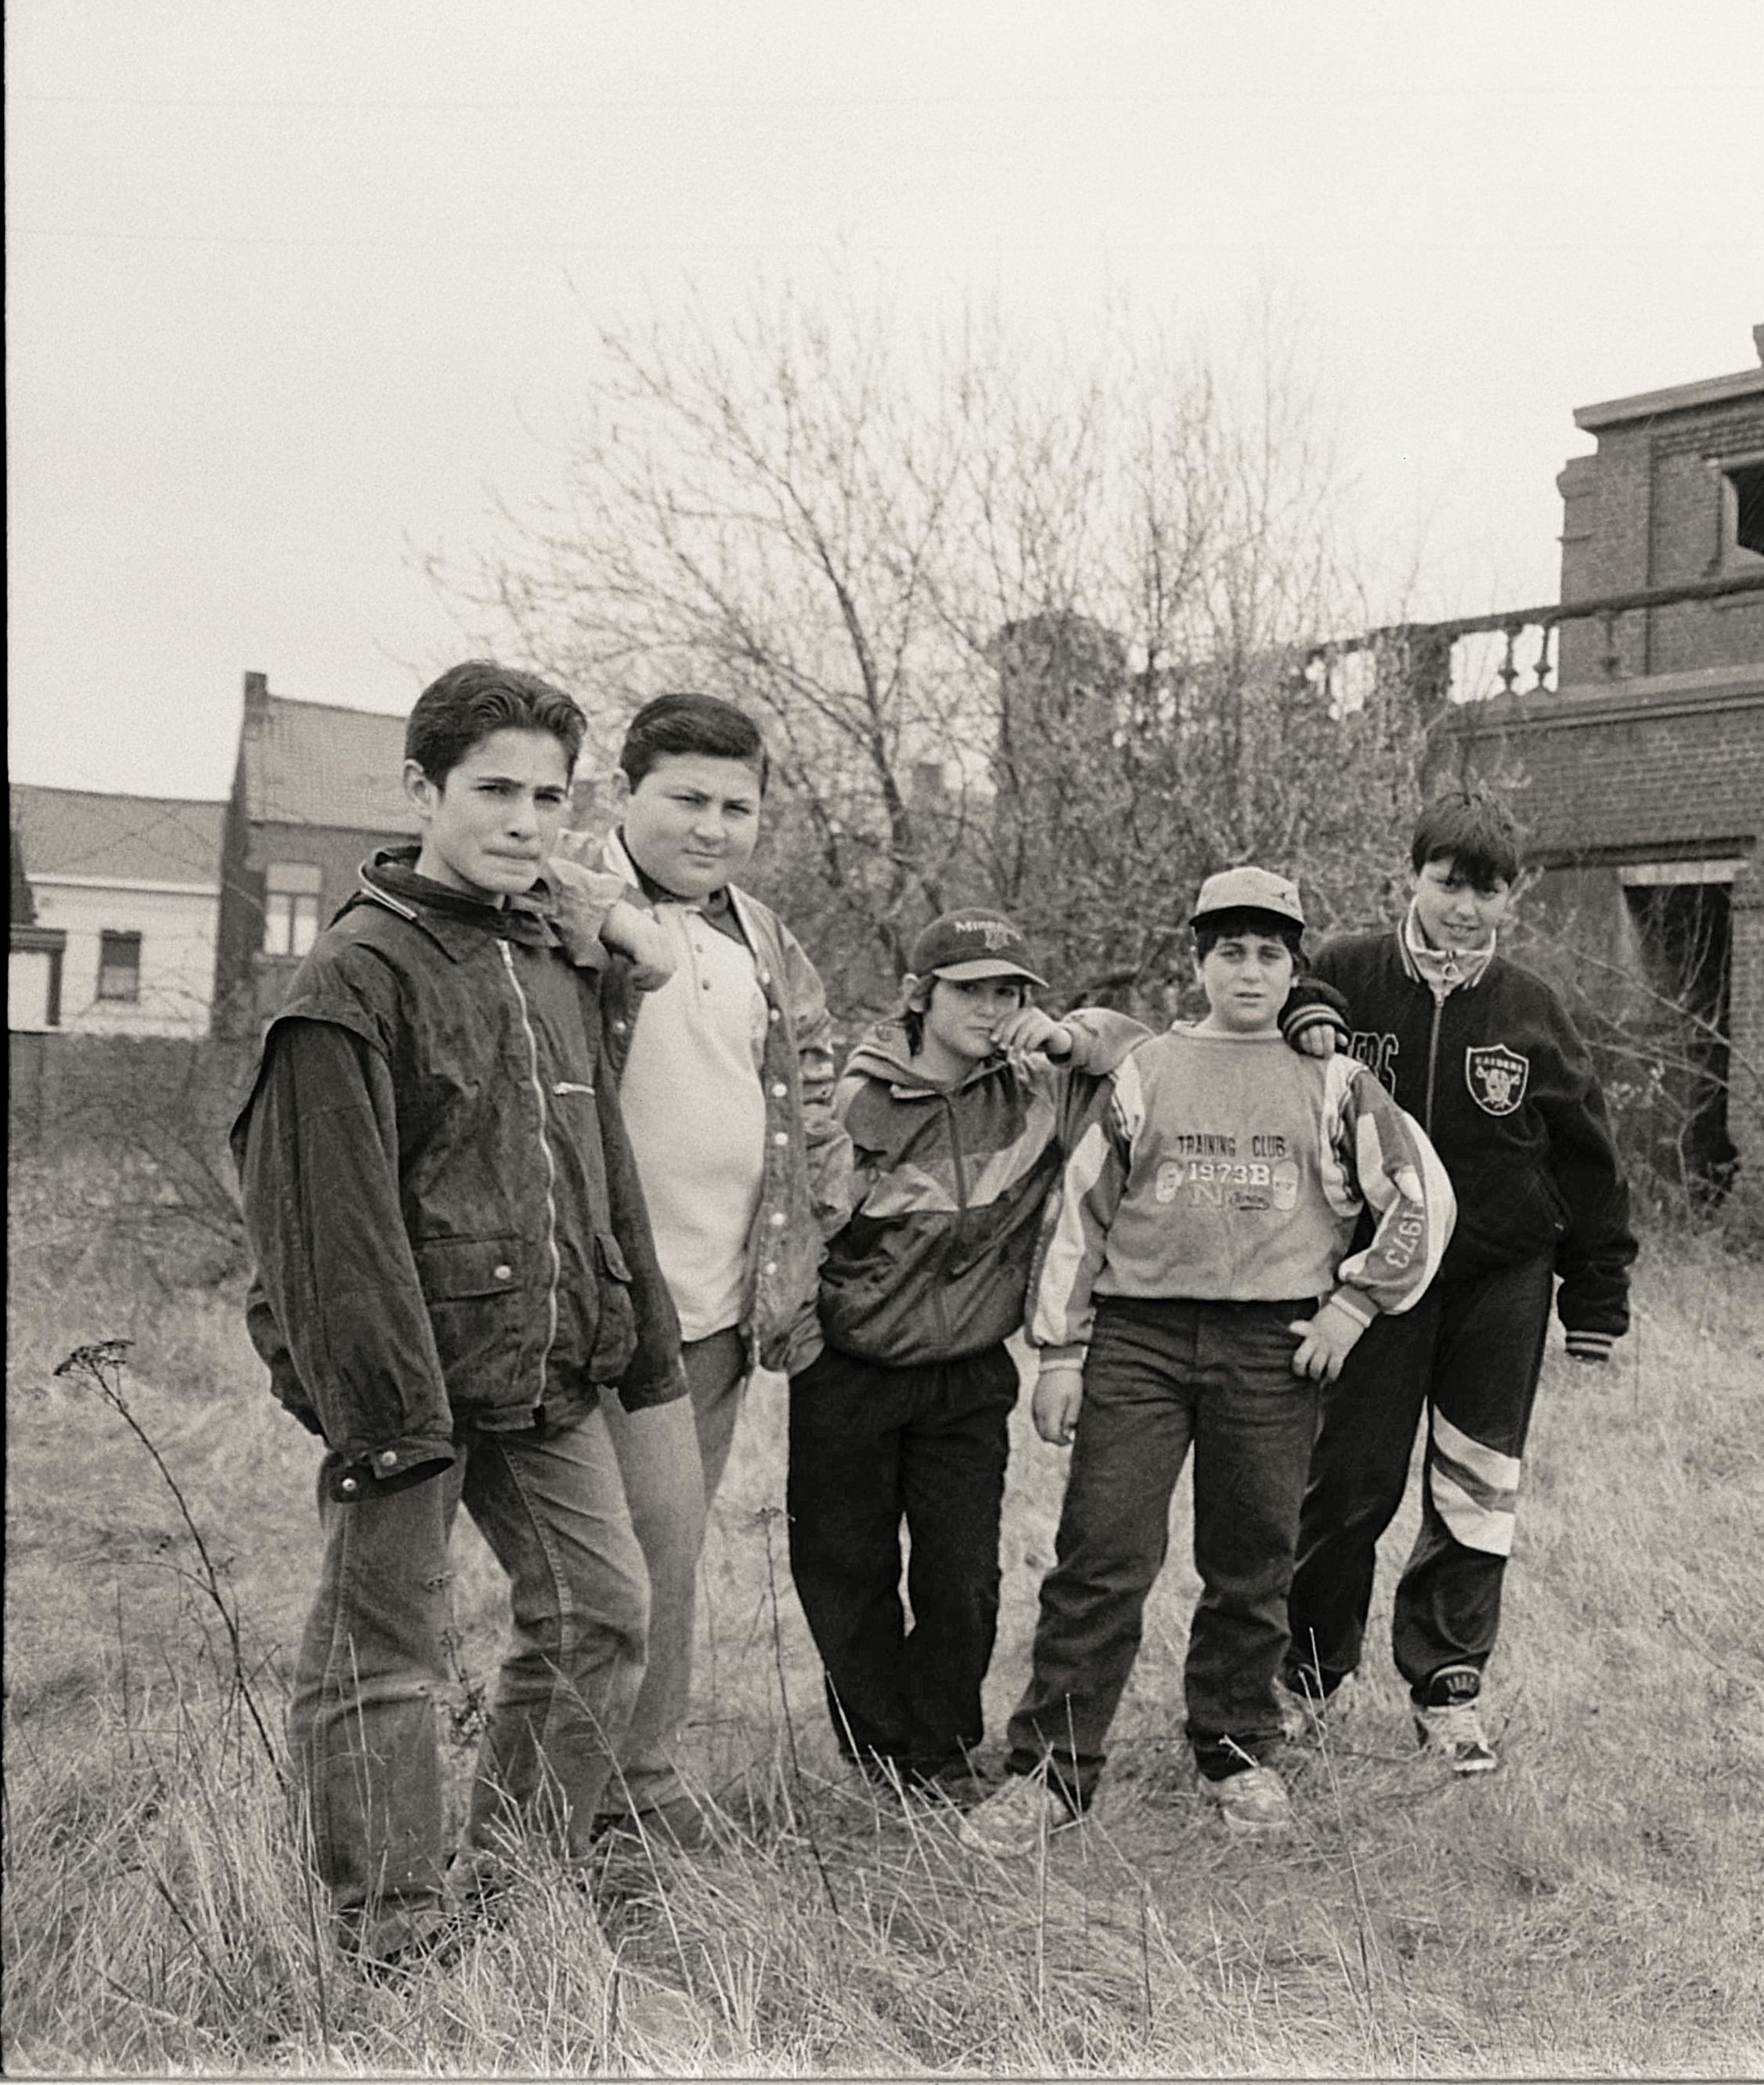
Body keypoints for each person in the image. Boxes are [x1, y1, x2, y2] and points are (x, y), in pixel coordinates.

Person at [233, 662, 686, 1965]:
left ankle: (518, 1876)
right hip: (409, 1394)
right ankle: (394, 1926)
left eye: (551, 795)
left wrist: (636, 1341)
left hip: (546, 1374)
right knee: (388, 1652)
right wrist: (384, 1425)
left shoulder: (548, 959)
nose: (526, 820)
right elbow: (325, 1237)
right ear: (422, 789)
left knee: (604, 1614)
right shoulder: (353, 980)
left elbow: (601, 1184)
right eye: (495, 789)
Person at [961, 868, 1448, 1849]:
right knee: (1102, 1552)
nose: (1249, 969)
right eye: (1230, 950)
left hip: (1272, 1347)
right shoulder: (1148, 1069)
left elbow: (1415, 1201)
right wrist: (1060, 1353)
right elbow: (1082, 1210)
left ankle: (1236, 1749)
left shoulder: (1335, 1078)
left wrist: (1352, 1308)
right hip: (1138, 1342)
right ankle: (1051, 1771)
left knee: (1253, 1560)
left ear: (1294, 968)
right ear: (1199, 961)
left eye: (1270, 953)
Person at [1282, 791, 1638, 1776]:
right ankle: (1305, 1682)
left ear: (1510, 899)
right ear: (1414, 877)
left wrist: (1595, 1302)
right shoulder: (1348, 974)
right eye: (1447, 885)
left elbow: (1587, 1162)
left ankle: (1447, 1690)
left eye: (1488, 893)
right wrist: (1305, 1008)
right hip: (1374, 1283)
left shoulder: (1530, 1007)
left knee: (1476, 1488)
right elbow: (1278, 1019)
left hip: (1499, 1284)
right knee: (1347, 1487)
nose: (1464, 910)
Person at [548, 691, 845, 1855]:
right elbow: (508, 887)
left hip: (721, 1308)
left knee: (671, 1547)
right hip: (610, 1299)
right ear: (624, 793)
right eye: (686, 798)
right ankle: (593, 1800)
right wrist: (614, 919)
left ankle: (630, 1788)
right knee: (620, 1559)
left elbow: (810, 1073)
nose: (713, 826)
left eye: (738, 805)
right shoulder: (563, 891)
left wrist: (821, 1208)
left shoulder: (762, 934)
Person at [792, 906, 1153, 1809]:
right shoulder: (852, 1098)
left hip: (966, 1376)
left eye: (1009, 992)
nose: (993, 1009)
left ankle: (946, 1752)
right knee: (848, 1573)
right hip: (851, 1371)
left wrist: (1068, 1039)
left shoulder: (1034, 1086)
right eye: (972, 990)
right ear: (921, 995)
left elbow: (1146, 1058)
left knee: (962, 1579)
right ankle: (884, 1757)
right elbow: (800, 1220)